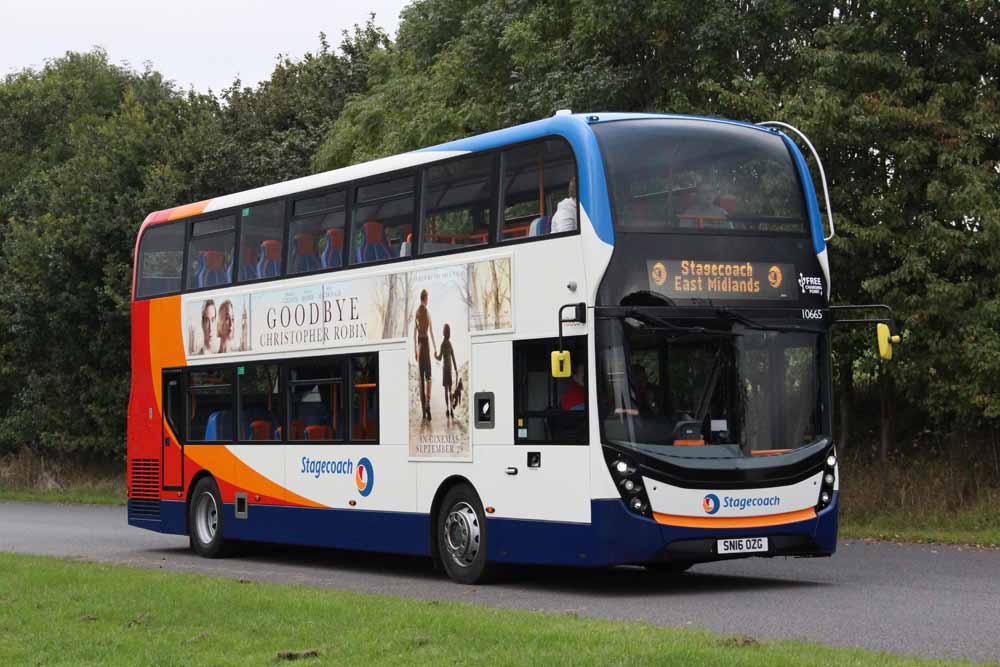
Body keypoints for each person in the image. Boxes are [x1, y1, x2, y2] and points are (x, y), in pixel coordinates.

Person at [413, 289, 438, 421]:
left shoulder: (417, 313)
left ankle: (423, 411)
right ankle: (428, 404)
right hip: (426, 345)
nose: (428, 300)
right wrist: (435, 348)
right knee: (428, 377)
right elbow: (432, 332)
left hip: (419, 346)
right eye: (427, 298)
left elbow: (414, 335)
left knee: (421, 380)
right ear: (425, 298)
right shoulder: (427, 313)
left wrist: (415, 351)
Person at [435, 323, 459, 418]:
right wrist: (456, 369)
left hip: (444, 369)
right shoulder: (450, 344)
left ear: (443, 333)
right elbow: (453, 357)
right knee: (450, 390)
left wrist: (435, 356)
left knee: (446, 390)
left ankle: (448, 409)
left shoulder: (442, 344)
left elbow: (440, 358)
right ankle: (452, 410)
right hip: (450, 369)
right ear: (449, 333)